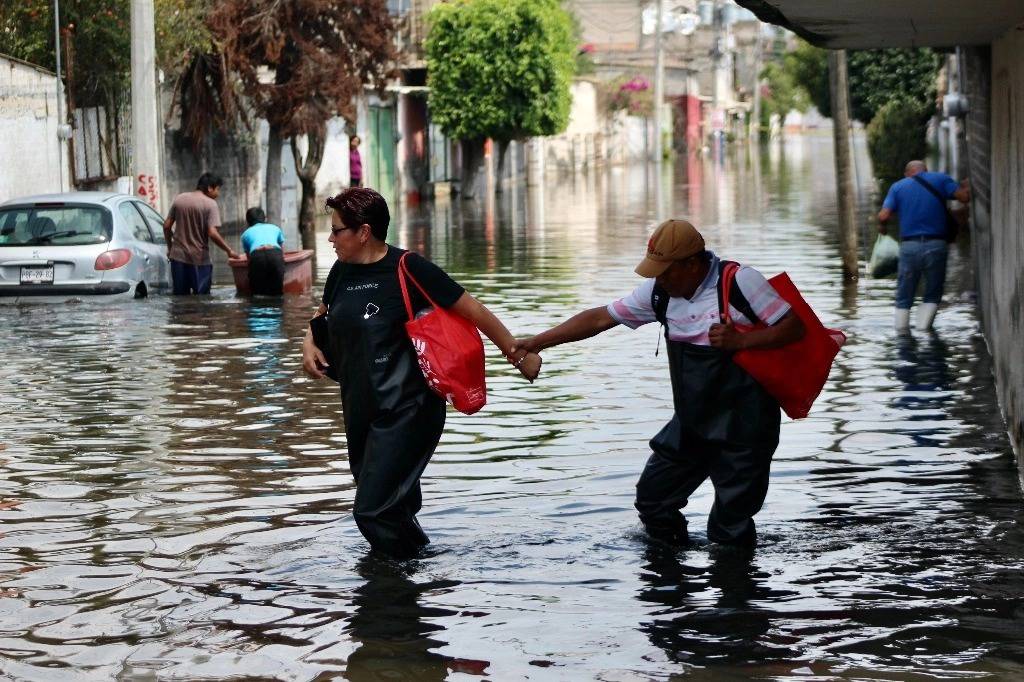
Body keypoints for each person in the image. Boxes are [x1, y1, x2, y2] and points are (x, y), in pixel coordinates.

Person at [512, 219, 805, 546]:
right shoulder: (659, 294)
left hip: (745, 428)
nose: (659, 279)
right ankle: (673, 580)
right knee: (653, 502)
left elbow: (795, 328)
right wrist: (538, 342)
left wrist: (741, 341)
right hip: (692, 424)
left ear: (693, 264)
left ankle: (735, 586)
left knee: (729, 528)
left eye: (666, 271)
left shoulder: (739, 282)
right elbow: (599, 318)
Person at [301, 187, 541, 558]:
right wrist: (308, 342)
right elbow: (323, 313)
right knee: (391, 505)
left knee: (371, 510)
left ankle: (396, 587)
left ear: (363, 232)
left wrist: (516, 352)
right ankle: (416, 572)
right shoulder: (340, 271)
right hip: (361, 405)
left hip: (408, 409)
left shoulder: (408, 268)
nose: (330, 238)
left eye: (336, 231)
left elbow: (470, 308)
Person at [878, 160, 970, 332]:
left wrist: (882, 229)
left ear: (907, 173)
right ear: (925, 170)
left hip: (909, 247)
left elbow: (883, 216)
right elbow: (964, 198)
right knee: (933, 293)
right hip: (936, 245)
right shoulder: (941, 179)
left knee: (904, 296)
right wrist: (965, 187)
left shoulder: (898, 187)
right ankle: (923, 331)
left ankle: (902, 334)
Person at [163, 172, 240, 295]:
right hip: (199, 259)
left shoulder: (180, 199)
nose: (218, 194)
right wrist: (229, 250)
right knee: (202, 300)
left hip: (178, 258)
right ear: (210, 188)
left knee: (180, 299)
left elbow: (166, 226)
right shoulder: (210, 204)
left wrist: (170, 248)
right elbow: (212, 233)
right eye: (218, 189)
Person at [240, 207, 285, 296]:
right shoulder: (275, 228)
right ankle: (277, 309)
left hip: (257, 255)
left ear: (248, 221)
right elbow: (282, 250)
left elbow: (249, 258)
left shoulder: (245, 234)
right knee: (277, 293)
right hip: (275, 253)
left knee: (257, 293)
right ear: (264, 218)